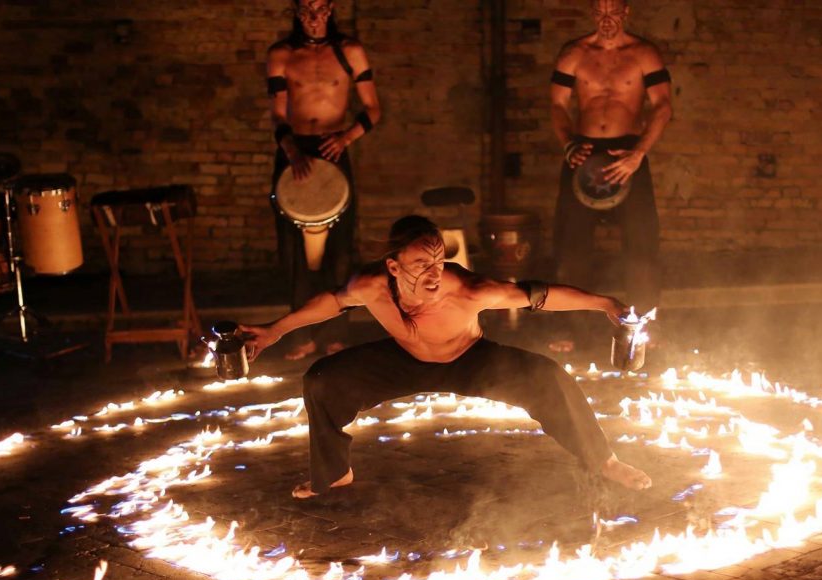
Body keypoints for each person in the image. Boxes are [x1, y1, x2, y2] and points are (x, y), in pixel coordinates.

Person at [240, 215, 653, 499]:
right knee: (322, 381)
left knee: (548, 376)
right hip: (402, 360)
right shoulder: (370, 286)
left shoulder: (469, 289)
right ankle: (333, 472)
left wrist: (604, 304)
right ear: (394, 266)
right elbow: (330, 303)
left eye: (438, 260)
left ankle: (605, 461)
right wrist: (275, 330)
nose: (434, 272)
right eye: (421, 263)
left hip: (469, 360)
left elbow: (539, 295)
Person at [549, 0, 672, 351]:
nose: (606, 20)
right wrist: (568, 144)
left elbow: (663, 106)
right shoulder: (574, 53)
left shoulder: (644, 53)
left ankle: (645, 326)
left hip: (627, 154)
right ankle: (570, 327)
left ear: (625, 12)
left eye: (613, 12)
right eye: (599, 12)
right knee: (571, 245)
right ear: (591, 12)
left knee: (641, 245)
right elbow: (557, 105)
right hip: (583, 152)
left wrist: (639, 153)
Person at [267, 0, 382, 360]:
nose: (313, 18)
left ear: (330, 10)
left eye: (319, 8)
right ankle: (302, 334)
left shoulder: (349, 51)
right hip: (294, 150)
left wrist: (346, 138)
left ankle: (336, 333)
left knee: (341, 249)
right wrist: (290, 148)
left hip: (334, 148)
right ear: (296, 13)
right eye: (305, 10)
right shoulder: (282, 54)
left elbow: (373, 109)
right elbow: (277, 113)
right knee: (292, 251)